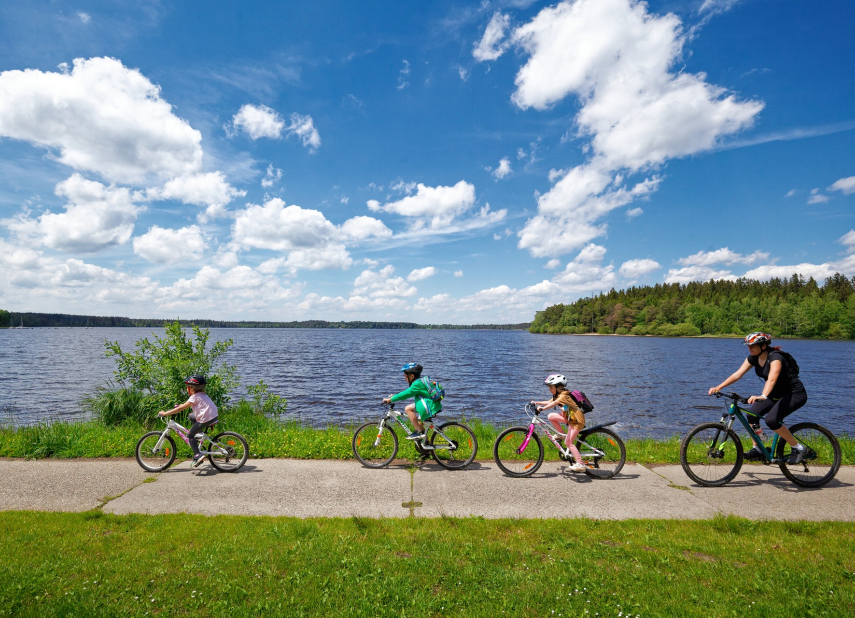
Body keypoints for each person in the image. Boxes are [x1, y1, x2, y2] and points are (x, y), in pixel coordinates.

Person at [708, 332, 811, 464]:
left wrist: (762, 396)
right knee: (752, 415)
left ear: (763, 346)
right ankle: (758, 448)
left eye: (752, 346)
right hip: (775, 394)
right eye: (748, 346)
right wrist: (718, 387)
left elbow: (772, 378)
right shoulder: (753, 358)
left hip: (794, 394)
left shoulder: (776, 357)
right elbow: (737, 374)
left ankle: (798, 448)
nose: (749, 348)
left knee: (772, 420)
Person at [159, 375, 219, 468]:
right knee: (191, 416)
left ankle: (197, 455)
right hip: (213, 416)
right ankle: (199, 433)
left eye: (187, 387)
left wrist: (165, 413)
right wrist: (181, 406)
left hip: (206, 419)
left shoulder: (194, 397)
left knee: (190, 435)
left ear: (191, 388)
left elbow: (180, 409)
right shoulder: (202, 395)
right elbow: (186, 405)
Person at [533, 374, 587, 472]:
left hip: (577, 421)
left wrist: (542, 409)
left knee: (568, 442)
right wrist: (536, 403)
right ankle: (561, 434)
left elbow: (554, 403)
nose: (549, 389)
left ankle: (581, 464)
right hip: (570, 418)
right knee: (551, 416)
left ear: (558, 387)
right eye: (549, 387)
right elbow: (549, 401)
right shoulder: (558, 395)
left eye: (551, 387)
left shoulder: (563, 396)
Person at [382, 363, 440, 440]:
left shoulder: (416, 384)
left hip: (429, 406)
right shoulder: (420, 381)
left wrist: (391, 399)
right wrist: (394, 396)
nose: (405, 379)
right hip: (432, 403)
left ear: (412, 376)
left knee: (408, 409)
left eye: (406, 376)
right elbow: (406, 392)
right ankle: (426, 447)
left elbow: (406, 394)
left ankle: (418, 431)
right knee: (419, 423)